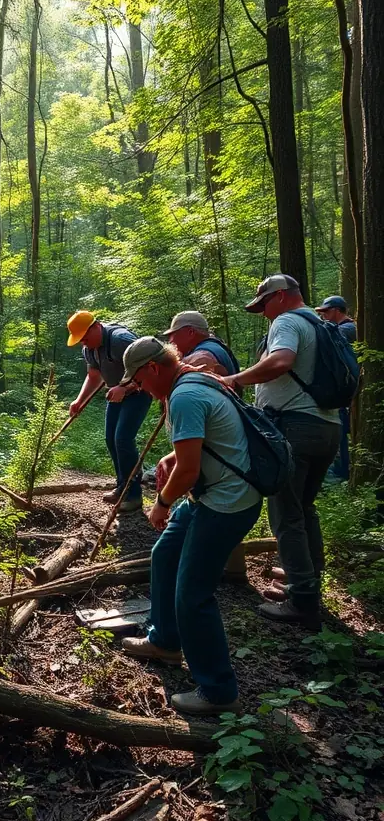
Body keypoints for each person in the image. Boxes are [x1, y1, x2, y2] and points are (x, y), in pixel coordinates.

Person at [118, 337, 262, 716]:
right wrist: (173, 455)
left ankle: (219, 692)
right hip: (210, 495)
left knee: (193, 595)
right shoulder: (198, 381)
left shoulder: (184, 396)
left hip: (225, 503)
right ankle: (165, 640)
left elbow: (189, 470)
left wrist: (161, 503)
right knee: (164, 554)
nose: (141, 390)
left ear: (153, 368)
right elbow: (209, 443)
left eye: (139, 381)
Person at [220, 274, 340, 629]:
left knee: (286, 515)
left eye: (264, 305)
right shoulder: (322, 324)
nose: (263, 314)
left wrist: (235, 379)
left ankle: (302, 601)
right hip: (328, 427)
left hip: (296, 429)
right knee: (304, 508)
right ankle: (306, 581)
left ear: (282, 297)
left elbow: (281, 361)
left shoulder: (288, 321)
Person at [66, 311, 151, 509]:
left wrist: (125, 387)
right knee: (111, 439)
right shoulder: (90, 349)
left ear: (96, 326)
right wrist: (79, 400)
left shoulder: (122, 340)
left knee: (123, 439)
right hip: (115, 394)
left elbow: (149, 369)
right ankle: (122, 485)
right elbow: (94, 376)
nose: (84, 343)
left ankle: (133, 495)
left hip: (139, 392)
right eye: (80, 340)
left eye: (85, 338)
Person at [316, 296, 357, 481]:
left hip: (349, 392)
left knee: (342, 434)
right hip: (349, 392)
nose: (323, 315)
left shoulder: (347, 329)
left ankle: (342, 474)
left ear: (337, 310)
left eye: (326, 311)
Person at [163, 311, 239, 377]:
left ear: (190, 332)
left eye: (173, 334)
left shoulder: (204, 355)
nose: (170, 341)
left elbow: (202, 359)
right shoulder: (214, 345)